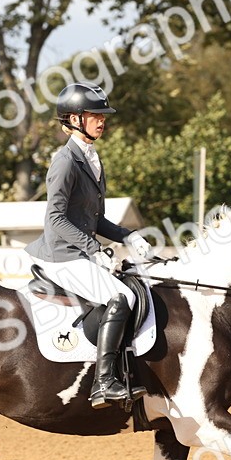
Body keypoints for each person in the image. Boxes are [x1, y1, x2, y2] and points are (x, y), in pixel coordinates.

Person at [26, 83, 153, 409]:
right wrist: (95, 250)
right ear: (73, 119)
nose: (102, 120)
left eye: (102, 115)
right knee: (120, 296)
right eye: (94, 115)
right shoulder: (65, 161)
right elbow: (55, 219)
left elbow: (93, 220)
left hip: (79, 250)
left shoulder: (92, 160)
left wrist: (127, 236)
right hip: (61, 255)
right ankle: (104, 383)